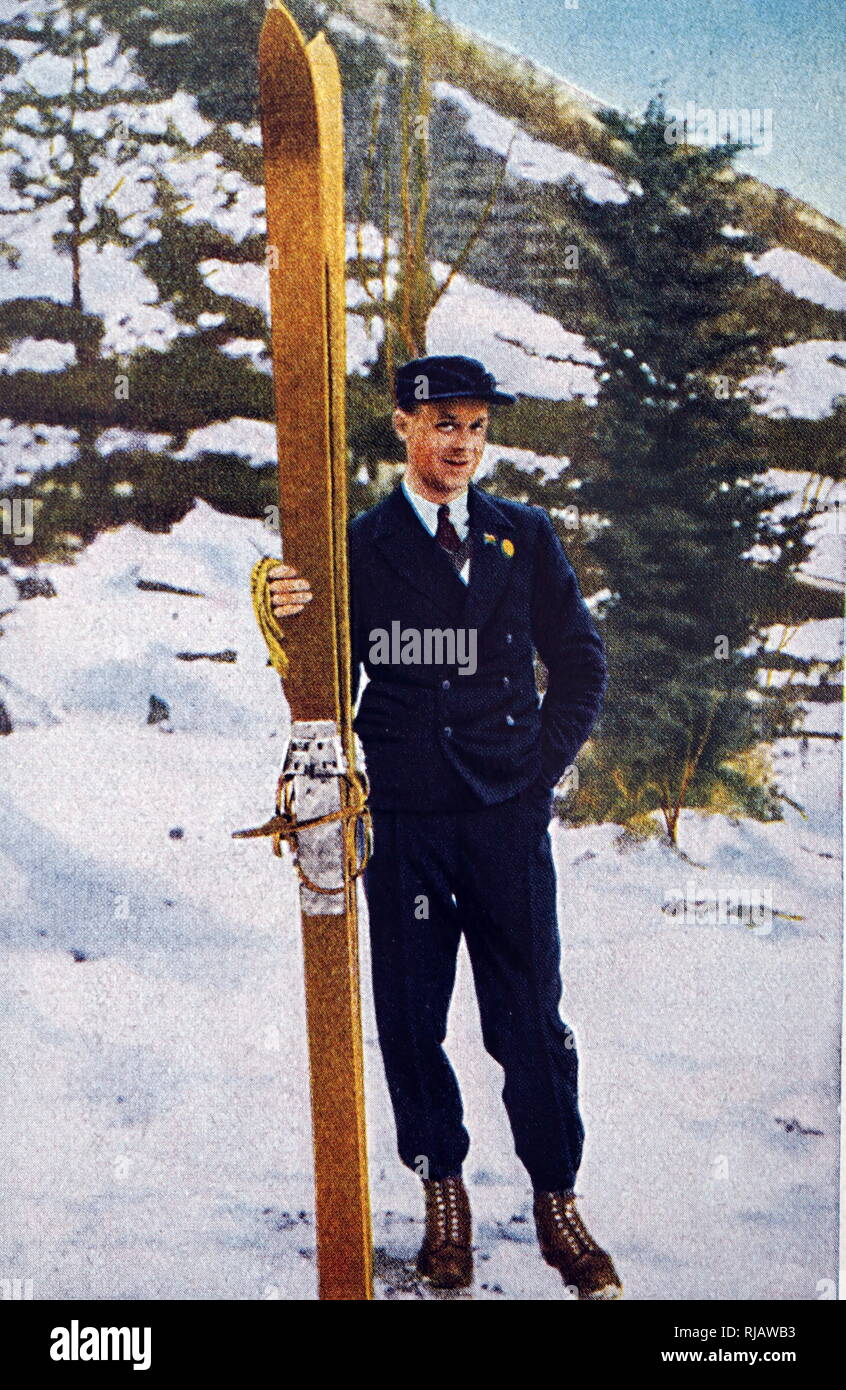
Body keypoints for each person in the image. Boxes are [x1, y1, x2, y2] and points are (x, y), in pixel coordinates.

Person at [267, 354, 622, 1299]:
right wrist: (289, 616)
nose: (460, 444)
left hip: (505, 825)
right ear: (402, 427)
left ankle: (557, 1197)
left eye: (474, 426)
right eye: (442, 424)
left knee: (532, 1022)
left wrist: (535, 774)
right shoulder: (360, 545)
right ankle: (444, 1194)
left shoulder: (525, 538)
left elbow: (581, 664)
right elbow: (321, 683)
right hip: (412, 823)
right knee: (413, 1018)